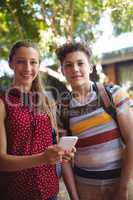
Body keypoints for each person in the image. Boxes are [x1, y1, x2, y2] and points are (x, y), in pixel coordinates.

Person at [56, 42, 133, 200]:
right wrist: (74, 196)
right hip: (85, 187)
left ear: (90, 67)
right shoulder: (62, 108)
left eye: (80, 63)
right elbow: (63, 157)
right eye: (68, 65)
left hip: (121, 181)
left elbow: (132, 139)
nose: (75, 69)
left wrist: (123, 188)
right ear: (63, 71)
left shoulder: (114, 94)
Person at [0, 40, 75, 200]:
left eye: (33, 62)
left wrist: (61, 152)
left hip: (50, 192)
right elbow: (1, 160)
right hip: (15, 193)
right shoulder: (3, 102)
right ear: (11, 64)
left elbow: (51, 145)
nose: (28, 68)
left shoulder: (47, 102)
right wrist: (43, 158)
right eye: (21, 62)